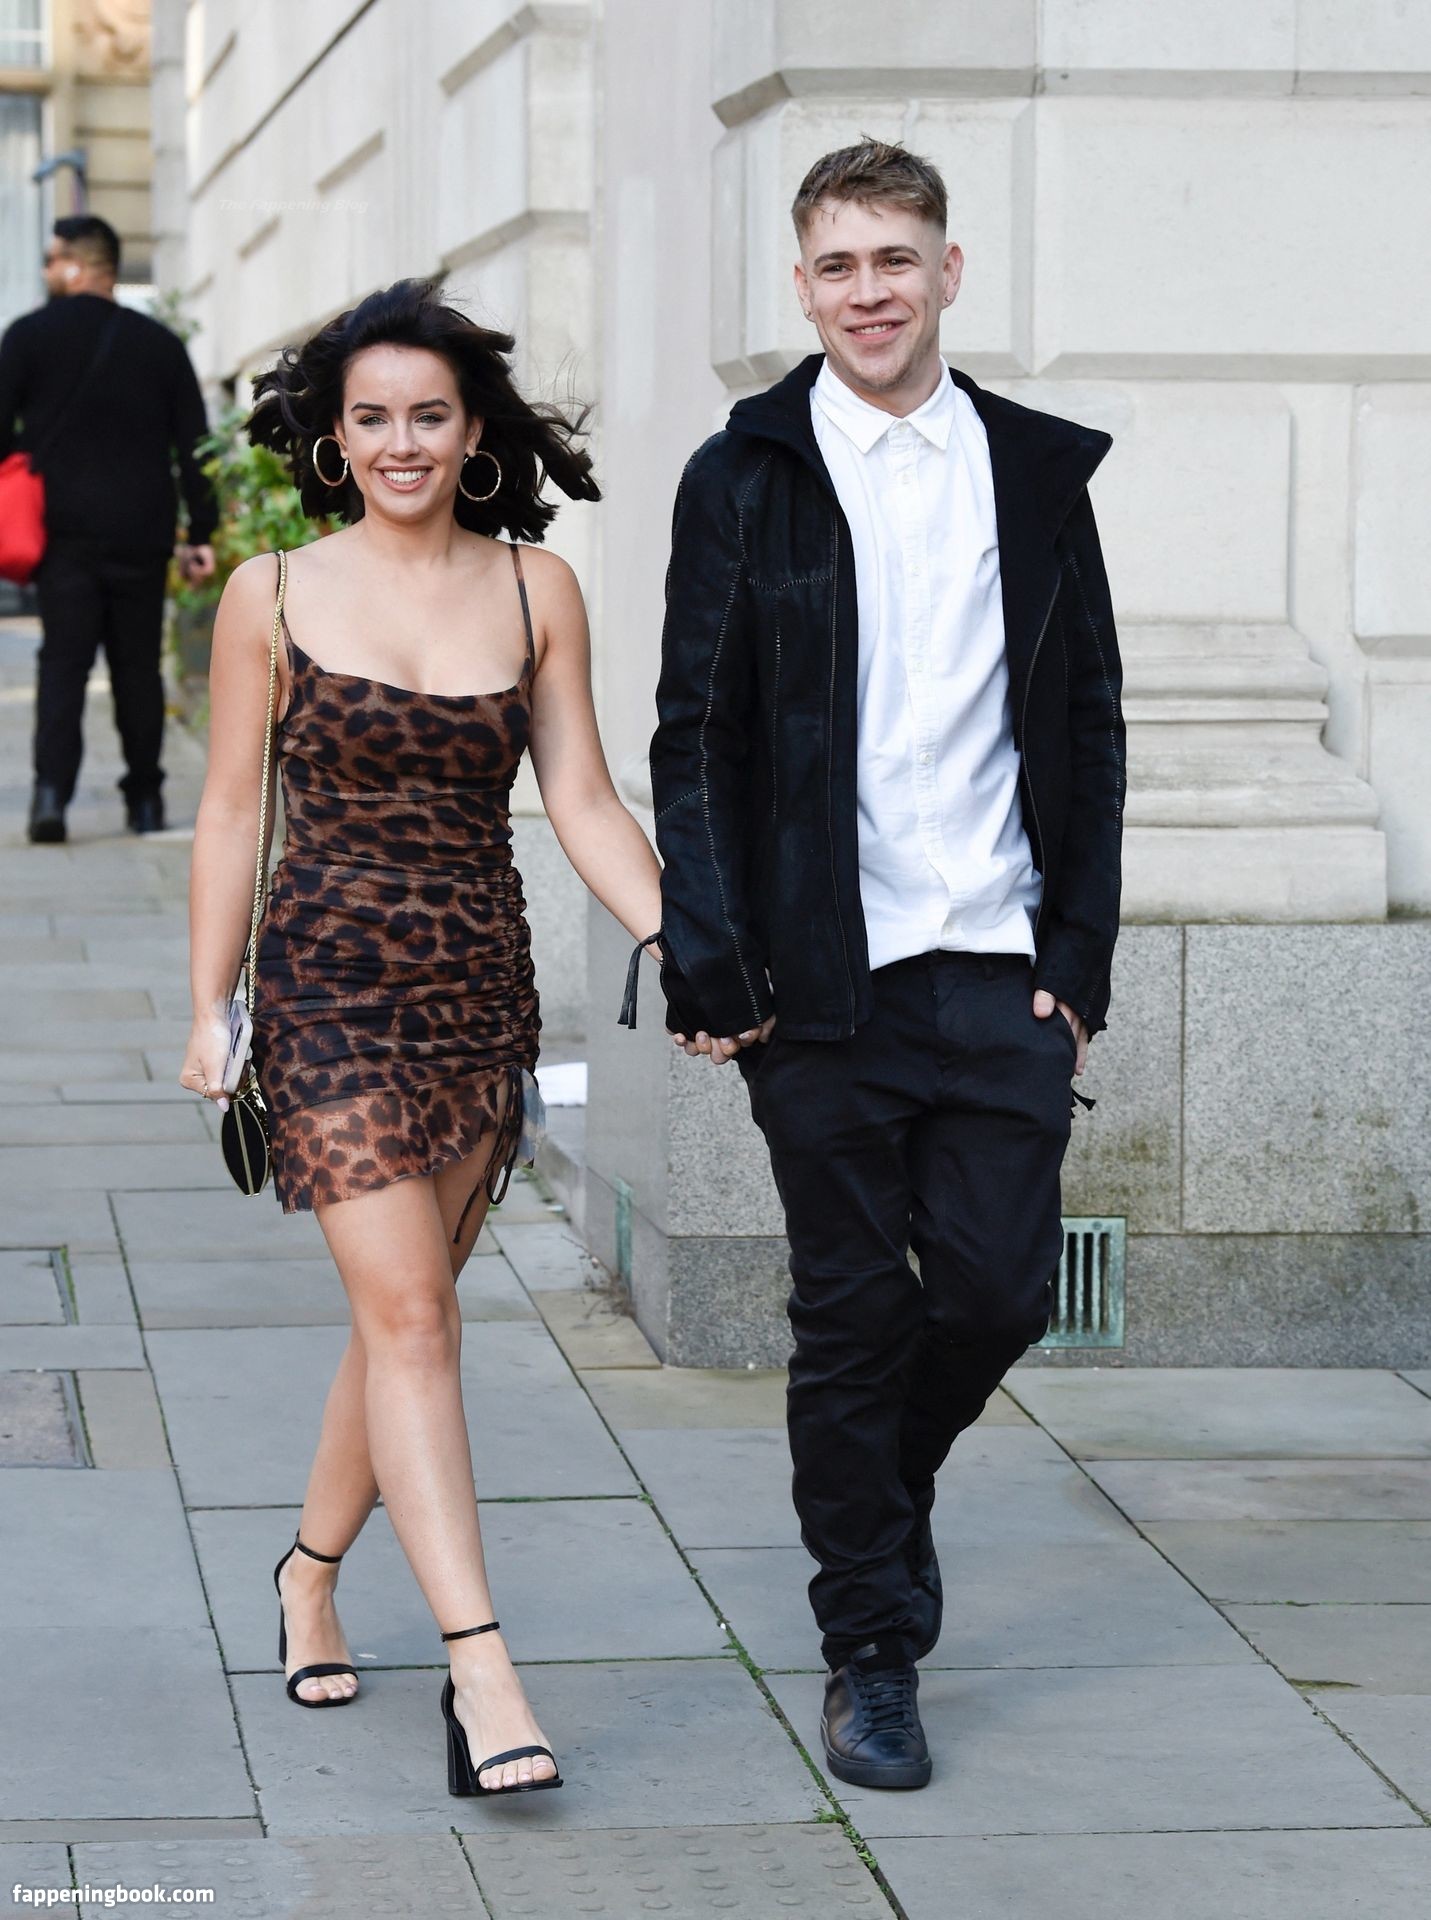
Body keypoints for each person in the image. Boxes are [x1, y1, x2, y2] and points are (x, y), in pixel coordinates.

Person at [648, 141, 1125, 1791]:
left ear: (946, 272)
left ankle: (875, 1494)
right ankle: (871, 1645)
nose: (869, 293)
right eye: (838, 267)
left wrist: (1077, 960)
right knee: (851, 1317)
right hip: (821, 985)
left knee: (995, 1294)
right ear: (802, 289)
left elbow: (1087, 725)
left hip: (996, 966)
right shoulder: (744, 475)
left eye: (895, 260)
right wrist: (713, 960)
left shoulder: (1033, 472)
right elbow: (695, 732)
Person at [180, 278, 664, 1796]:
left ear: (472, 433)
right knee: (409, 1320)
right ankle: (483, 1671)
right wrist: (208, 1004)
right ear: (334, 439)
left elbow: (581, 798)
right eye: (373, 417)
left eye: (429, 417)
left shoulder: (536, 590)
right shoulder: (268, 593)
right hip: (325, 989)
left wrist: (684, 938)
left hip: (476, 993)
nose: (401, 442)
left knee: (409, 1320)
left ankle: (306, 1575)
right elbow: (230, 811)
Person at [0, 214, 218, 842]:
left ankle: (50, 798)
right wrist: (200, 532)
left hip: (61, 534)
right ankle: (145, 801)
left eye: (52, 259)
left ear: (75, 264)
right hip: (142, 534)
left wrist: (33, 454)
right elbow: (194, 447)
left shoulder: (28, 336)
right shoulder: (159, 345)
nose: (47, 270)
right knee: (137, 668)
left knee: (62, 664)